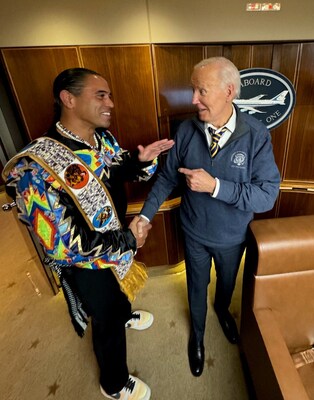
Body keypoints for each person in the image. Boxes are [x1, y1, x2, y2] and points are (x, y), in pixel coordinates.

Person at [2, 67, 174, 399]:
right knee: (106, 319)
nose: (110, 102)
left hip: (116, 242)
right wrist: (126, 240)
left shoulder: (100, 138)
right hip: (86, 263)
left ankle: (124, 313)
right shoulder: (35, 168)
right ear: (68, 99)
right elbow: (62, 245)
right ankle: (113, 384)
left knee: (118, 300)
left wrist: (140, 161)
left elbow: (113, 168)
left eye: (109, 95)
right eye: (100, 95)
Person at [138, 57, 280, 377]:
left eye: (201, 90)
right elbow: (165, 178)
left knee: (227, 284)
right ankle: (198, 336)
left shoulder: (257, 135)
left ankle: (223, 311)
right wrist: (145, 217)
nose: (192, 100)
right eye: (193, 90)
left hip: (233, 237)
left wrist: (215, 186)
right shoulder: (186, 130)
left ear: (229, 91)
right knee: (196, 286)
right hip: (194, 233)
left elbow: (267, 195)